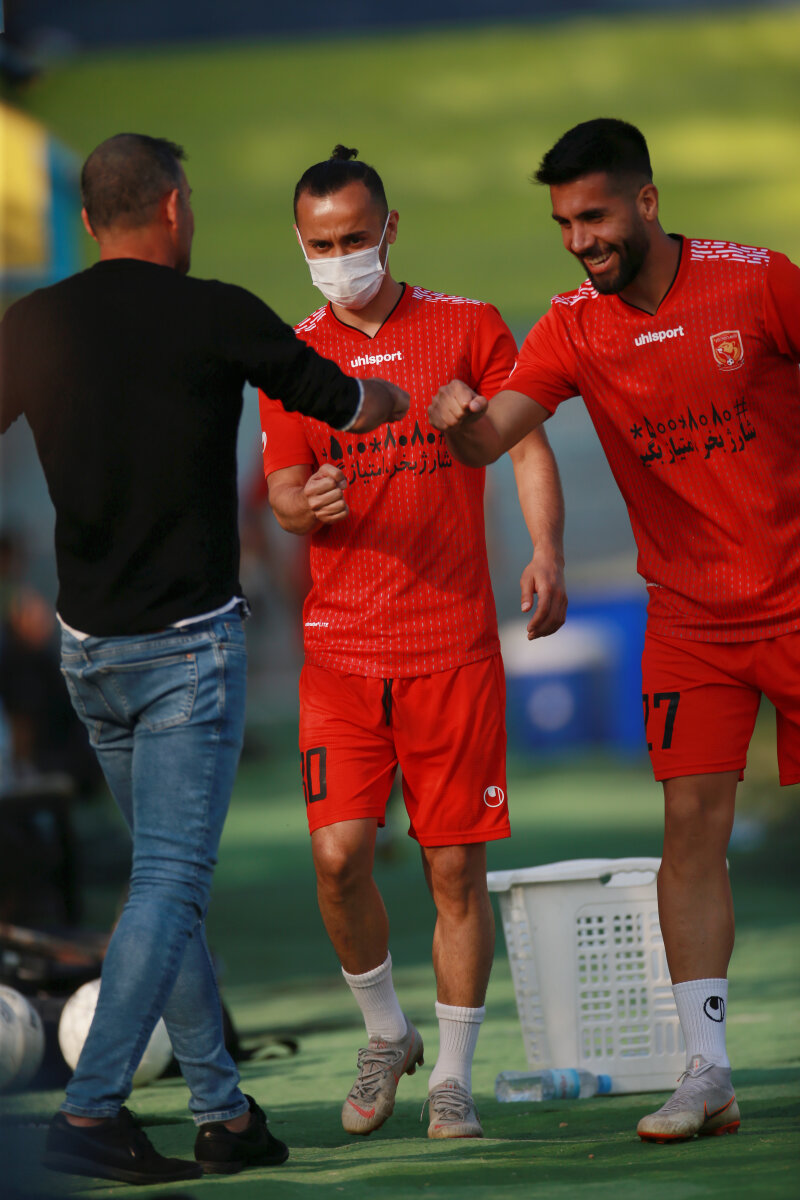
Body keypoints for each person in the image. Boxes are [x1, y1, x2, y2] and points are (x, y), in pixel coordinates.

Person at [0, 132, 408, 1185]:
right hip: (188, 652)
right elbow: (344, 402)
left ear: (87, 221)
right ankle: (92, 1110)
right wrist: (406, 400)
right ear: (175, 208)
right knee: (170, 883)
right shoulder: (217, 312)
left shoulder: (32, 324)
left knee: (162, 884)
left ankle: (224, 1113)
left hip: (88, 654)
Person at [429, 117, 800, 1144]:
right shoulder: (570, 325)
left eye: (592, 216)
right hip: (687, 619)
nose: (578, 240)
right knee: (690, 830)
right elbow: (492, 438)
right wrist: (458, 419)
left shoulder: (758, 281)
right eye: (562, 223)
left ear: (646, 201)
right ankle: (707, 1070)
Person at [259, 145, 566, 1140]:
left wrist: (546, 551)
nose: (338, 258)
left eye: (354, 237)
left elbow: (524, 439)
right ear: (299, 243)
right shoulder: (292, 356)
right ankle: (388, 1033)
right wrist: (303, 505)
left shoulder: (467, 325)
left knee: (452, 872)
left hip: (451, 648)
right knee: (338, 858)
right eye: (320, 244)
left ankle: (454, 1081)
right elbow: (280, 492)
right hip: (341, 656)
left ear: (389, 229)